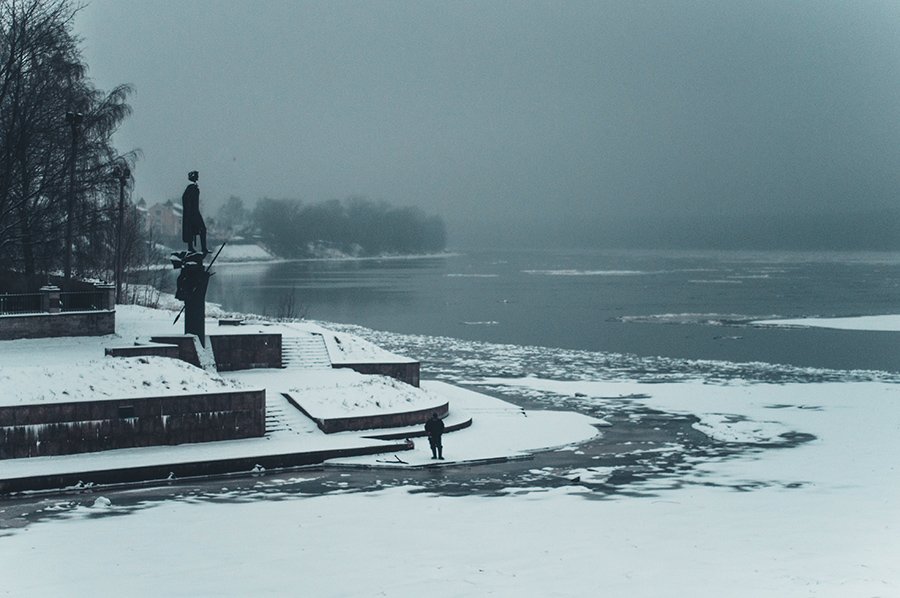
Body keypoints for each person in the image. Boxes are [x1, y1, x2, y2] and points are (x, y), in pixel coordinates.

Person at [182, 170, 208, 254]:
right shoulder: (191, 188)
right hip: (193, 213)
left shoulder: (192, 187)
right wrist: (191, 213)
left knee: (194, 230)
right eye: (197, 176)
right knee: (201, 229)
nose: (198, 177)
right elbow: (188, 201)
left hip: (193, 212)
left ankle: (193, 247)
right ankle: (202, 248)